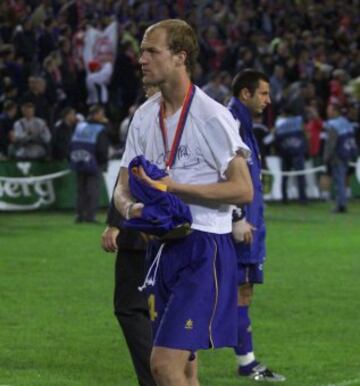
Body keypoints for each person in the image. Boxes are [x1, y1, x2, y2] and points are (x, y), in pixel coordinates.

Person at [114, 19, 253, 386]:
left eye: (151, 51)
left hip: (204, 248)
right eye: (142, 51)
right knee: (186, 369)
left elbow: (243, 189)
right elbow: (121, 186)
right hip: (164, 249)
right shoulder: (143, 117)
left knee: (162, 365)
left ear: (180, 57)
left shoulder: (212, 117)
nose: (141, 58)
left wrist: (173, 188)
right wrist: (133, 210)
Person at [228, 69, 285, 382]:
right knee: (234, 292)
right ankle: (245, 362)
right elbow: (220, 171)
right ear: (245, 94)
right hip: (239, 229)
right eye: (263, 93)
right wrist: (237, 217)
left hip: (250, 226)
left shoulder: (246, 126)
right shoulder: (232, 123)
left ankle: (245, 360)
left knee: (239, 291)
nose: (268, 99)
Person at [101, 181, 156, 386]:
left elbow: (128, 176)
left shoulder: (140, 147)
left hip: (142, 233)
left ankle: (155, 378)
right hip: (186, 231)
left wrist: (116, 223)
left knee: (131, 309)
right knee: (169, 310)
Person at [69, 104, 109, 223]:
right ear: (96, 114)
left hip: (78, 161)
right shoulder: (100, 128)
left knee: (81, 190)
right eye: (101, 114)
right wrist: (103, 163)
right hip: (94, 163)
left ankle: (79, 215)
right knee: (93, 190)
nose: (103, 116)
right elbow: (102, 148)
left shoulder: (79, 126)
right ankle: (90, 216)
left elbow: (71, 144)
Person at [323, 103, 358, 213]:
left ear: (335, 111)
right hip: (346, 154)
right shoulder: (346, 122)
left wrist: (326, 157)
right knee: (341, 179)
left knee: (339, 181)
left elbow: (330, 143)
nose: (328, 112)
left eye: (330, 109)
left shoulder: (333, 124)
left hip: (337, 155)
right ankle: (342, 203)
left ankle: (341, 205)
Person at [274, 104, 308, 204]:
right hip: (298, 151)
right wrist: (306, 149)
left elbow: (275, 138)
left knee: (285, 176)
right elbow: (305, 135)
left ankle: (284, 198)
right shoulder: (299, 121)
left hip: (285, 152)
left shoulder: (279, 124)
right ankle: (302, 198)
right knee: (300, 176)